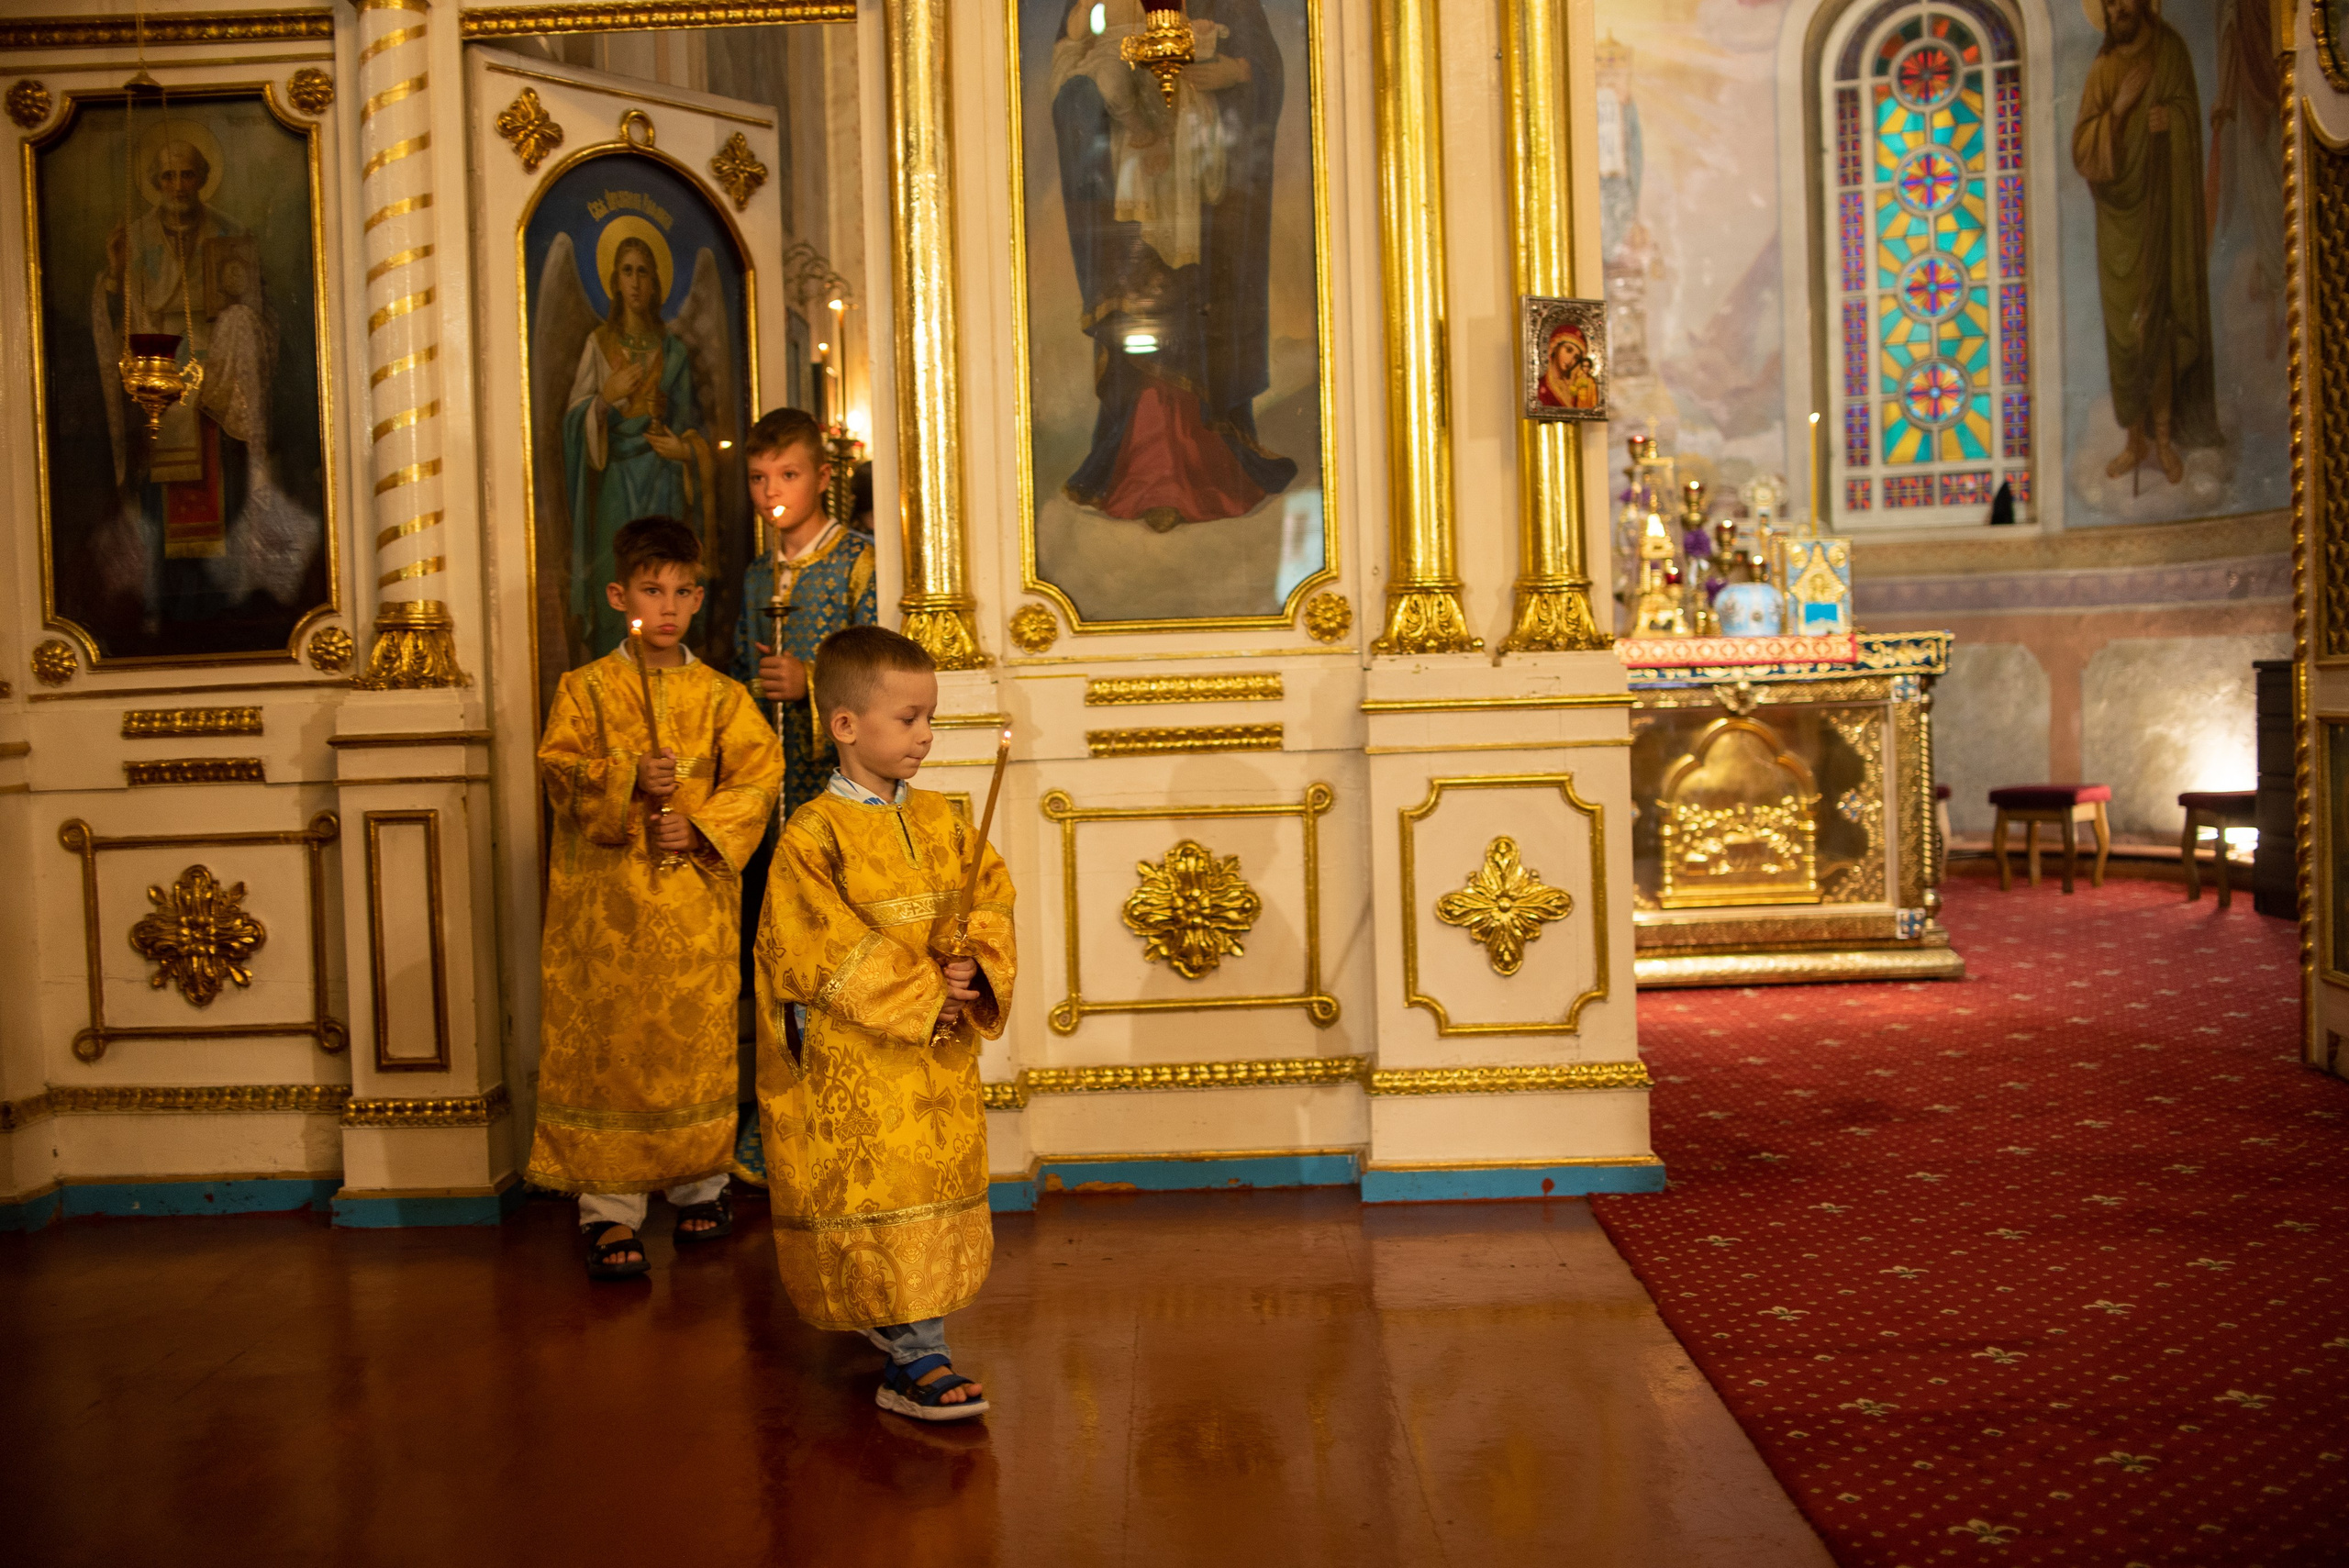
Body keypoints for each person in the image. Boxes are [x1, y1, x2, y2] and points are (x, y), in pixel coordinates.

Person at [753, 626, 1015, 1421]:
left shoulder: (942, 818)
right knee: (880, 1194)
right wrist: (918, 990)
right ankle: (915, 1358)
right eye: (908, 719)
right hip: (858, 1060)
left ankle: (905, 1326)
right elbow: (810, 940)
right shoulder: (813, 833)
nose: (925, 735)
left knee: (930, 1193)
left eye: (929, 717)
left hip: (934, 1061)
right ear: (845, 725)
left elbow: (988, 902)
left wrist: (974, 969)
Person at [527, 515, 783, 1281]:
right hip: (604, 914)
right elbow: (557, 768)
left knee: (694, 1043)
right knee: (615, 1050)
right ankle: (609, 1209)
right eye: (650, 590)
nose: (665, 607)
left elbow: (760, 775)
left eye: (680, 591)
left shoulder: (722, 696)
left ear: (699, 598)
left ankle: (701, 1184)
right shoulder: (586, 689)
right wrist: (627, 778)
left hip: (693, 909)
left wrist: (700, 828)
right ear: (619, 595)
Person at [2070, 0, 2218, 485]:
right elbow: (2083, 151)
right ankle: (2134, 443)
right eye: (2109, 3)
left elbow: (2188, 117)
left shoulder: (2169, 51)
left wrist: (2169, 123)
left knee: (2161, 323)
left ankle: (2163, 439)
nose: (2117, 9)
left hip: (2164, 211)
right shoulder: (2104, 69)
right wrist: (2119, 110)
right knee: (2126, 335)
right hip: (2118, 224)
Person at [562, 233, 718, 655]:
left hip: (664, 480)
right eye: (627, 271)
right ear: (614, 279)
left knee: (665, 582)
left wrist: (685, 452)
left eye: (643, 273)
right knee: (620, 577)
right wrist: (605, 398)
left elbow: (694, 431)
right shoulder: (598, 345)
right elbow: (573, 423)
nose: (635, 282)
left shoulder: (674, 353)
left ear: (656, 284)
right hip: (615, 483)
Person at [730, 408, 877, 820]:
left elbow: (881, 672)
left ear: (823, 478)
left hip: (839, 775)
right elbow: (742, 666)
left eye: (788, 475)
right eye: (758, 478)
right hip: (768, 770)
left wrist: (808, 680)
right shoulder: (759, 573)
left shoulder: (860, 562)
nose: (770, 492)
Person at [1536, 321, 1601, 411]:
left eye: (1576, 357)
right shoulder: (1539, 387)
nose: (1570, 360)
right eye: (1568, 350)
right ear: (1555, 346)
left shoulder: (1577, 389)